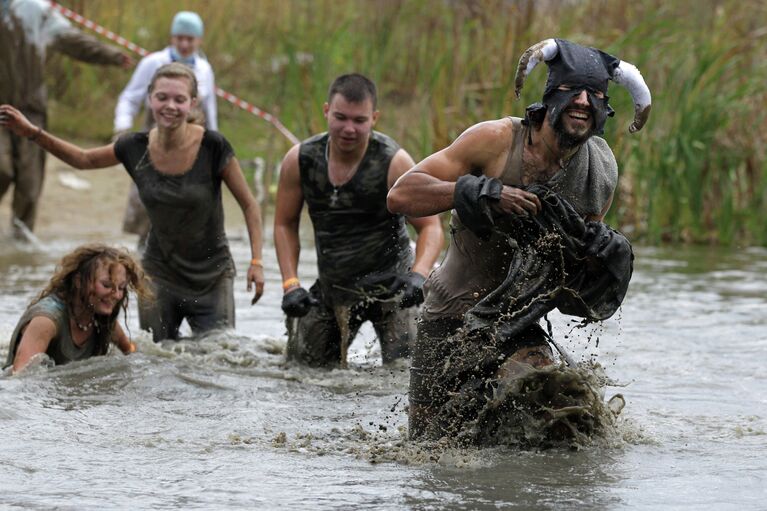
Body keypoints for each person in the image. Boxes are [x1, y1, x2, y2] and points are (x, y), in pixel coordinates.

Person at [386, 38, 652, 439]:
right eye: (572, 93)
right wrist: (480, 191)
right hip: (449, 312)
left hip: (517, 324)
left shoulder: (599, 169)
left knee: (562, 408)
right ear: (550, 99)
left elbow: (571, 289)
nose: (582, 102)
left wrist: (603, 258)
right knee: (428, 445)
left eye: (594, 97)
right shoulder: (494, 140)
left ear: (603, 111)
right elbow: (401, 195)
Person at [1, 63, 266, 342]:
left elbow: (250, 204)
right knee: (156, 358)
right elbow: (83, 159)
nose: (170, 106)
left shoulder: (214, 146)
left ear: (193, 103)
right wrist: (32, 132)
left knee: (217, 358)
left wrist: (257, 261)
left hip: (212, 277)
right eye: (162, 97)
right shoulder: (133, 147)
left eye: (179, 99)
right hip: (158, 276)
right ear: (150, 98)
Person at [274, 73, 444, 368]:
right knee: (302, 373)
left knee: (406, 374)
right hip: (334, 288)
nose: (349, 129)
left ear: (374, 118)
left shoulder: (394, 162)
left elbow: (431, 226)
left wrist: (419, 275)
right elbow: (284, 224)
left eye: (359, 120)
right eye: (341, 117)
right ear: (327, 111)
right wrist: (291, 284)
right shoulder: (300, 160)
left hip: (394, 289)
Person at [0, 0, 132, 239]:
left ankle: (21, 241)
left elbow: (70, 38)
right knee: (2, 168)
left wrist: (110, 55)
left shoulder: (33, 9)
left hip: (31, 107)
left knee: (30, 184)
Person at [114, 11, 218, 246]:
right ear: (172, 37)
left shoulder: (204, 70)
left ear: (199, 40)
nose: (184, 44)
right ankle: (144, 254)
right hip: (154, 141)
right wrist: (122, 128)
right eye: (179, 38)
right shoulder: (153, 63)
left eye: (190, 39)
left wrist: (215, 146)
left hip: (191, 147)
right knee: (148, 203)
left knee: (186, 207)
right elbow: (129, 97)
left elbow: (210, 111)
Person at [4, 243, 151, 374]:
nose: (117, 295)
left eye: (122, 288)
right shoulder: (46, 321)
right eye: (107, 285)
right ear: (79, 281)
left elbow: (131, 351)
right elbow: (21, 377)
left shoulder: (102, 318)